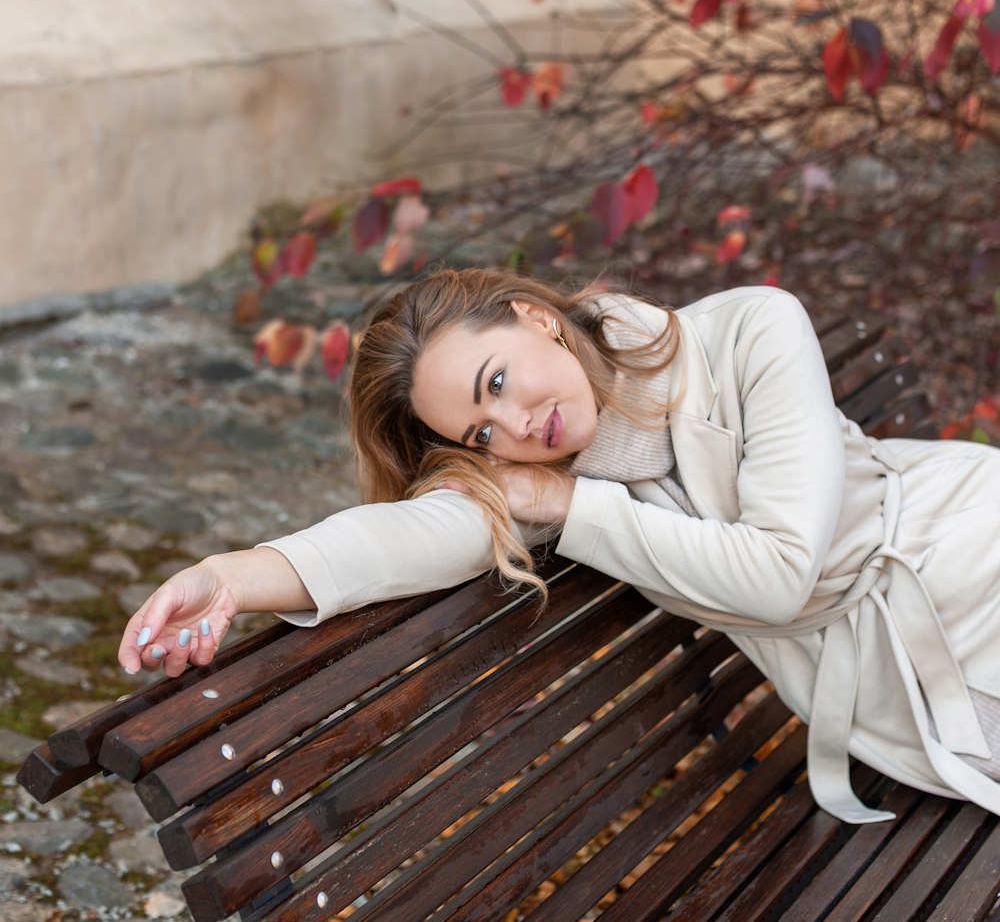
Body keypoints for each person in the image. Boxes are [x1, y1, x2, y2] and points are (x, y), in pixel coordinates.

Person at [117, 267, 1000, 824]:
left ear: (536, 317)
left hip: (967, 548)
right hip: (901, 685)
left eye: (495, 380)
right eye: (481, 428)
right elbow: (400, 538)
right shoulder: (546, 479)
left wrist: (575, 505)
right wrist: (227, 575)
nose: (512, 425)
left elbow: (778, 572)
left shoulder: (750, 330)